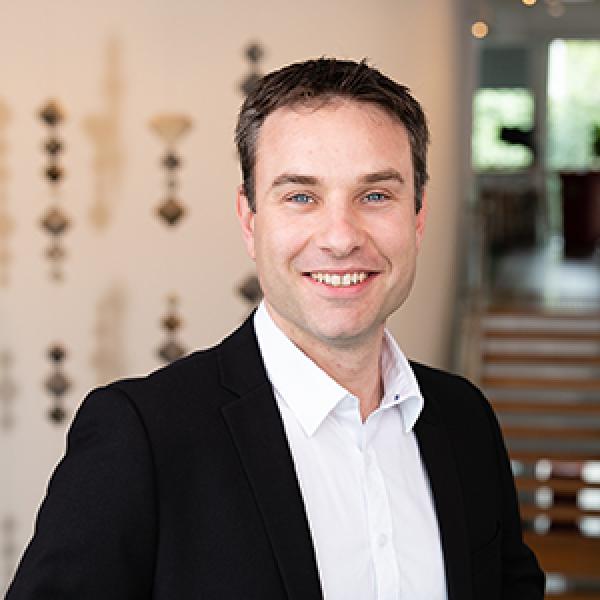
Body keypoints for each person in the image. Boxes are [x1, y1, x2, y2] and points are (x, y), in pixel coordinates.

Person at [6, 58, 544, 600]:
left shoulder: (465, 418)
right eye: (301, 197)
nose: (340, 237)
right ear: (250, 220)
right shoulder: (141, 438)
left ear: (418, 217)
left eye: (376, 195)